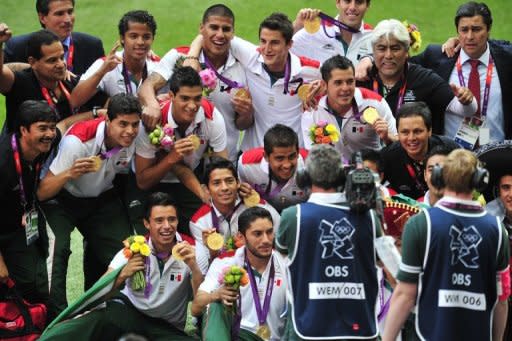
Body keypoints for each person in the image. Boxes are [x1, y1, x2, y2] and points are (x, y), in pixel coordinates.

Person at [39, 192, 207, 340]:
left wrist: (193, 268)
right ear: (147, 224)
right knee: (89, 322)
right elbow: (100, 291)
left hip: (166, 328)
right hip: (129, 315)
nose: (166, 226)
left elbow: (199, 306)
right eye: (159, 220)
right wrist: (123, 274)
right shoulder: (132, 250)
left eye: (172, 219)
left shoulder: (192, 252)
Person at [382, 149, 510, 341]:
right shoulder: (498, 230)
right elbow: (501, 300)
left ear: (440, 177)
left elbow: (405, 294)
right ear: (479, 181)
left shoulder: (420, 223)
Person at [37, 93, 142, 316]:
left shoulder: (135, 138)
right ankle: (56, 319)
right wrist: (70, 173)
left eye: (134, 124)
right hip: (62, 200)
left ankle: (107, 312)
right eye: (123, 124)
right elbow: (43, 191)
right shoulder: (78, 141)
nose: (130, 131)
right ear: (107, 121)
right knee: (58, 250)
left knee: (124, 253)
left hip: (102, 199)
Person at [277, 145, 383, 340]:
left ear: (304, 178)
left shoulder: (293, 216)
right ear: (342, 176)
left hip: (307, 328)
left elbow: (283, 254)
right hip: (359, 329)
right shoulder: (368, 217)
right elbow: (384, 262)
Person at [188, 12, 322, 149]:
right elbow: (210, 35)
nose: (267, 49)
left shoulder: (308, 69)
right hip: (253, 158)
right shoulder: (252, 56)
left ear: (289, 44)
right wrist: (192, 57)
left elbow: (341, 75)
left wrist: (323, 85)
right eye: (263, 41)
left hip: (291, 157)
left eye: (274, 43)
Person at [139, 4, 251, 163]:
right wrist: (152, 105)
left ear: (233, 33)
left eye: (226, 29)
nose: (220, 34)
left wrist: (246, 114)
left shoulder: (243, 67)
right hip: (183, 161)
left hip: (224, 159)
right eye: (214, 27)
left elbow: (242, 125)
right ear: (201, 28)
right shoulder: (179, 56)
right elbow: (147, 87)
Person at [135, 66, 228, 234]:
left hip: (191, 181)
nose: (192, 106)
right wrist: (172, 157)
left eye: (197, 98)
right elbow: (143, 181)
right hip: (154, 184)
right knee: (151, 241)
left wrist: (211, 193)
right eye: (185, 98)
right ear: (171, 96)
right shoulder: (152, 121)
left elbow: (223, 166)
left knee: (209, 231)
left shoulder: (212, 118)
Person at [410, 2, 512, 144]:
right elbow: (396, 66)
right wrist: (402, 41)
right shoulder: (436, 57)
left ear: (488, 30)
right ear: (457, 31)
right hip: (450, 157)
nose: (469, 36)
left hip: (498, 155)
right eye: (464, 30)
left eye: (476, 30)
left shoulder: (507, 59)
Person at [357, 19, 477, 135]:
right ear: (373, 51)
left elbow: (465, 110)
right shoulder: (360, 79)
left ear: (406, 51)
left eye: (395, 48)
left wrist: (467, 101)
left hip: (412, 152)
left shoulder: (424, 79)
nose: (388, 55)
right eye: (382, 48)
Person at [192, 206, 287, 341]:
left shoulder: (286, 265)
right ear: (241, 237)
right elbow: (196, 307)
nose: (266, 240)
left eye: (269, 232)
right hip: (240, 335)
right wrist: (216, 294)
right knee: (215, 305)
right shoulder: (225, 262)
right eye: (257, 234)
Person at [0, 100, 58, 316]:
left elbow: (64, 126)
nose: (49, 134)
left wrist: (96, 112)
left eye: (51, 128)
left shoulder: (42, 144)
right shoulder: (4, 162)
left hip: (21, 222)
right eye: (42, 128)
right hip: (4, 229)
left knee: (31, 283)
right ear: (23, 130)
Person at [0, 26, 96, 133]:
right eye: (52, 60)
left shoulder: (70, 80)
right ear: (32, 62)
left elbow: (106, 104)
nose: (60, 65)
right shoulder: (21, 83)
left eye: (61, 57)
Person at [302, 55, 396, 161]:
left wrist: (387, 137)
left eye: (350, 81)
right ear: (324, 85)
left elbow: (399, 142)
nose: (345, 88)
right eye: (338, 82)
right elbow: (312, 155)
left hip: (369, 173)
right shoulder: (312, 107)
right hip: (332, 173)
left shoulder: (375, 102)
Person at [190, 157, 280, 261]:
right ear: (206, 189)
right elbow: (206, 266)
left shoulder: (257, 206)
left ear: (238, 183)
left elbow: (282, 238)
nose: (224, 188)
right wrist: (212, 251)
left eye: (229, 181)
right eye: (216, 183)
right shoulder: (199, 222)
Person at [70, 10, 161, 108]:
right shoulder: (105, 64)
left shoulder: (159, 66)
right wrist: (102, 71)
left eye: (146, 37)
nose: (140, 42)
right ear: (122, 38)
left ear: (153, 39)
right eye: (133, 36)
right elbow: (74, 101)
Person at [380, 101, 459, 199]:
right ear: (398, 133)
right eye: (405, 132)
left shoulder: (450, 150)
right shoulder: (388, 156)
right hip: (407, 213)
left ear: (429, 131)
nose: (411, 138)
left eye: (417, 131)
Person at [3, 0, 104, 76]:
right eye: (59, 14)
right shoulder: (17, 47)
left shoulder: (92, 46)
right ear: (42, 18)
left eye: (70, 12)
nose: (68, 19)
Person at [238, 124, 309, 213]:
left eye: (292, 156)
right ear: (266, 156)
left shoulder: (311, 165)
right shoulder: (246, 165)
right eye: (279, 158)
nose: (286, 165)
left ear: (298, 152)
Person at [291, 0, 373, 65]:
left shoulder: (372, 37)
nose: (352, 7)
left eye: (359, 2)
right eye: (347, 1)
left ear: (367, 6)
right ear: (338, 2)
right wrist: (295, 27)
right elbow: (281, 51)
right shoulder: (315, 33)